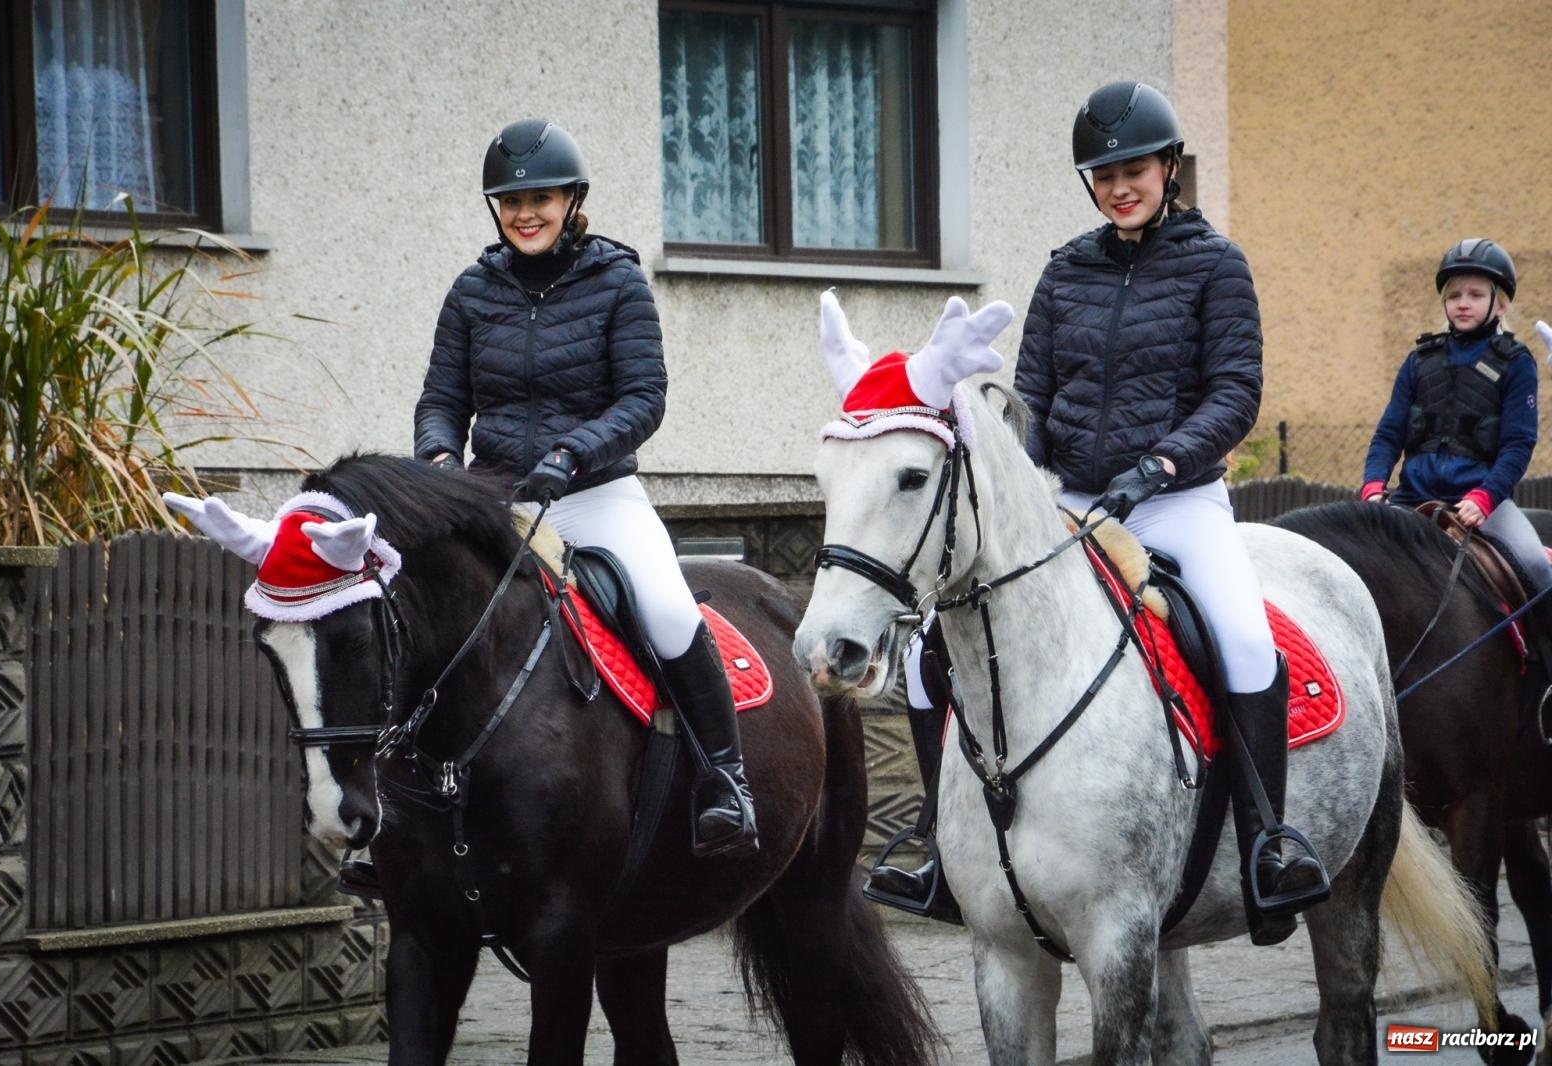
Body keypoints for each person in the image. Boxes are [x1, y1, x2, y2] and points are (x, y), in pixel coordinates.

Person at [870, 81, 1329, 947]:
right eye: (1103, 174)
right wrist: (1022, 466)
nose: (1119, 186)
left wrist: (1159, 465)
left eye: (1134, 170)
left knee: (1241, 638)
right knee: (935, 652)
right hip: (1071, 501)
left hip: (1175, 500)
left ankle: (1270, 841)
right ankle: (936, 844)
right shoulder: (1066, 269)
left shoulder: (1215, 265)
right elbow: (1034, 390)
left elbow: (1235, 393)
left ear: (1168, 169)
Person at [412, 119, 758, 862]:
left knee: (667, 611)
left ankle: (725, 781)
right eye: (509, 201)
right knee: (416, 607)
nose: (524, 213)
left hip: (596, 495)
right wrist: (439, 456)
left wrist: (573, 454)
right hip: (497, 500)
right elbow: (441, 397)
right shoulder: (472, 292)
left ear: (572, 201)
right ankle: (396, 805)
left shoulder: (617, 281)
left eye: (540, 198)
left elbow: (644, 397)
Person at [1361, 239, 1552, 710]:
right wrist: (1372, 486)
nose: (1462, 303)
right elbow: (1388, 434)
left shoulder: (1517, 363)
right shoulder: (1419, 361)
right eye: (1453, 295)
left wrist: (1484, 498)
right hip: (1412, 499)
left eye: (1474, 294)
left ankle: (1546, 687)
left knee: (1538, 570)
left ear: (1498, 302)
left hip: (1482, 504)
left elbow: (1517, 445)